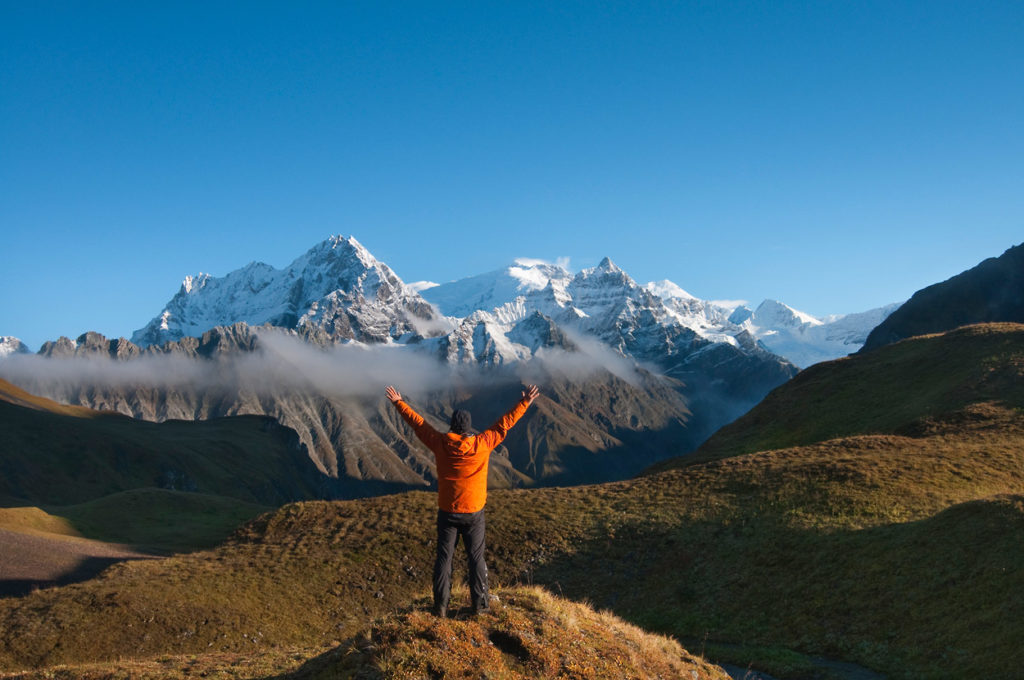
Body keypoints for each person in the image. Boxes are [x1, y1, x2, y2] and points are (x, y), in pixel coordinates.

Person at [385, 383, 540, 617]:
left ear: (452, 426)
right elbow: (505, 423)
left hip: (448, 511)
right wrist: (524, 403)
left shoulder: (439, 443)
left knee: (444, 560)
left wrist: (399, 403)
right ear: (468, 428)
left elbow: (419, 424)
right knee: (476, 558)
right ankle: (480, 606)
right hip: (474, 512)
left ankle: (440, 608)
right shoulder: (482, 443)